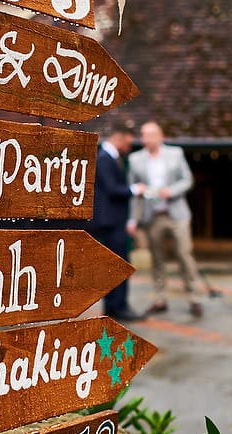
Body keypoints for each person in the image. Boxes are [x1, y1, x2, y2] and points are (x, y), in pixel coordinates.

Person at [128, 121, 206, 317]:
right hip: (152, 216)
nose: (147, 139)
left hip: (176, 214)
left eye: (151, 134)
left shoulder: (175, 154)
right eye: (144, 135)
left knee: (184, 255)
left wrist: (169, 192)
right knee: (157, 259)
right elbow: (133, 192)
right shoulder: (135, 159)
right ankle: (160, 298)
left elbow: (187, 180)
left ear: (160, 136)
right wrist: (132, 220)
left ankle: (194, 298)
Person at [88, 121, 143, 321]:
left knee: (115, 265)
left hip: (114, 221)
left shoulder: (111, 158)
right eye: (128, 142)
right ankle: (118, 307)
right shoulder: (104, 158)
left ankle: (115, 306)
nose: (129, 147)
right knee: (119, 265)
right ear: (119, 138)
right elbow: (112, 189)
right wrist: (135, 190)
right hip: (110, 222)